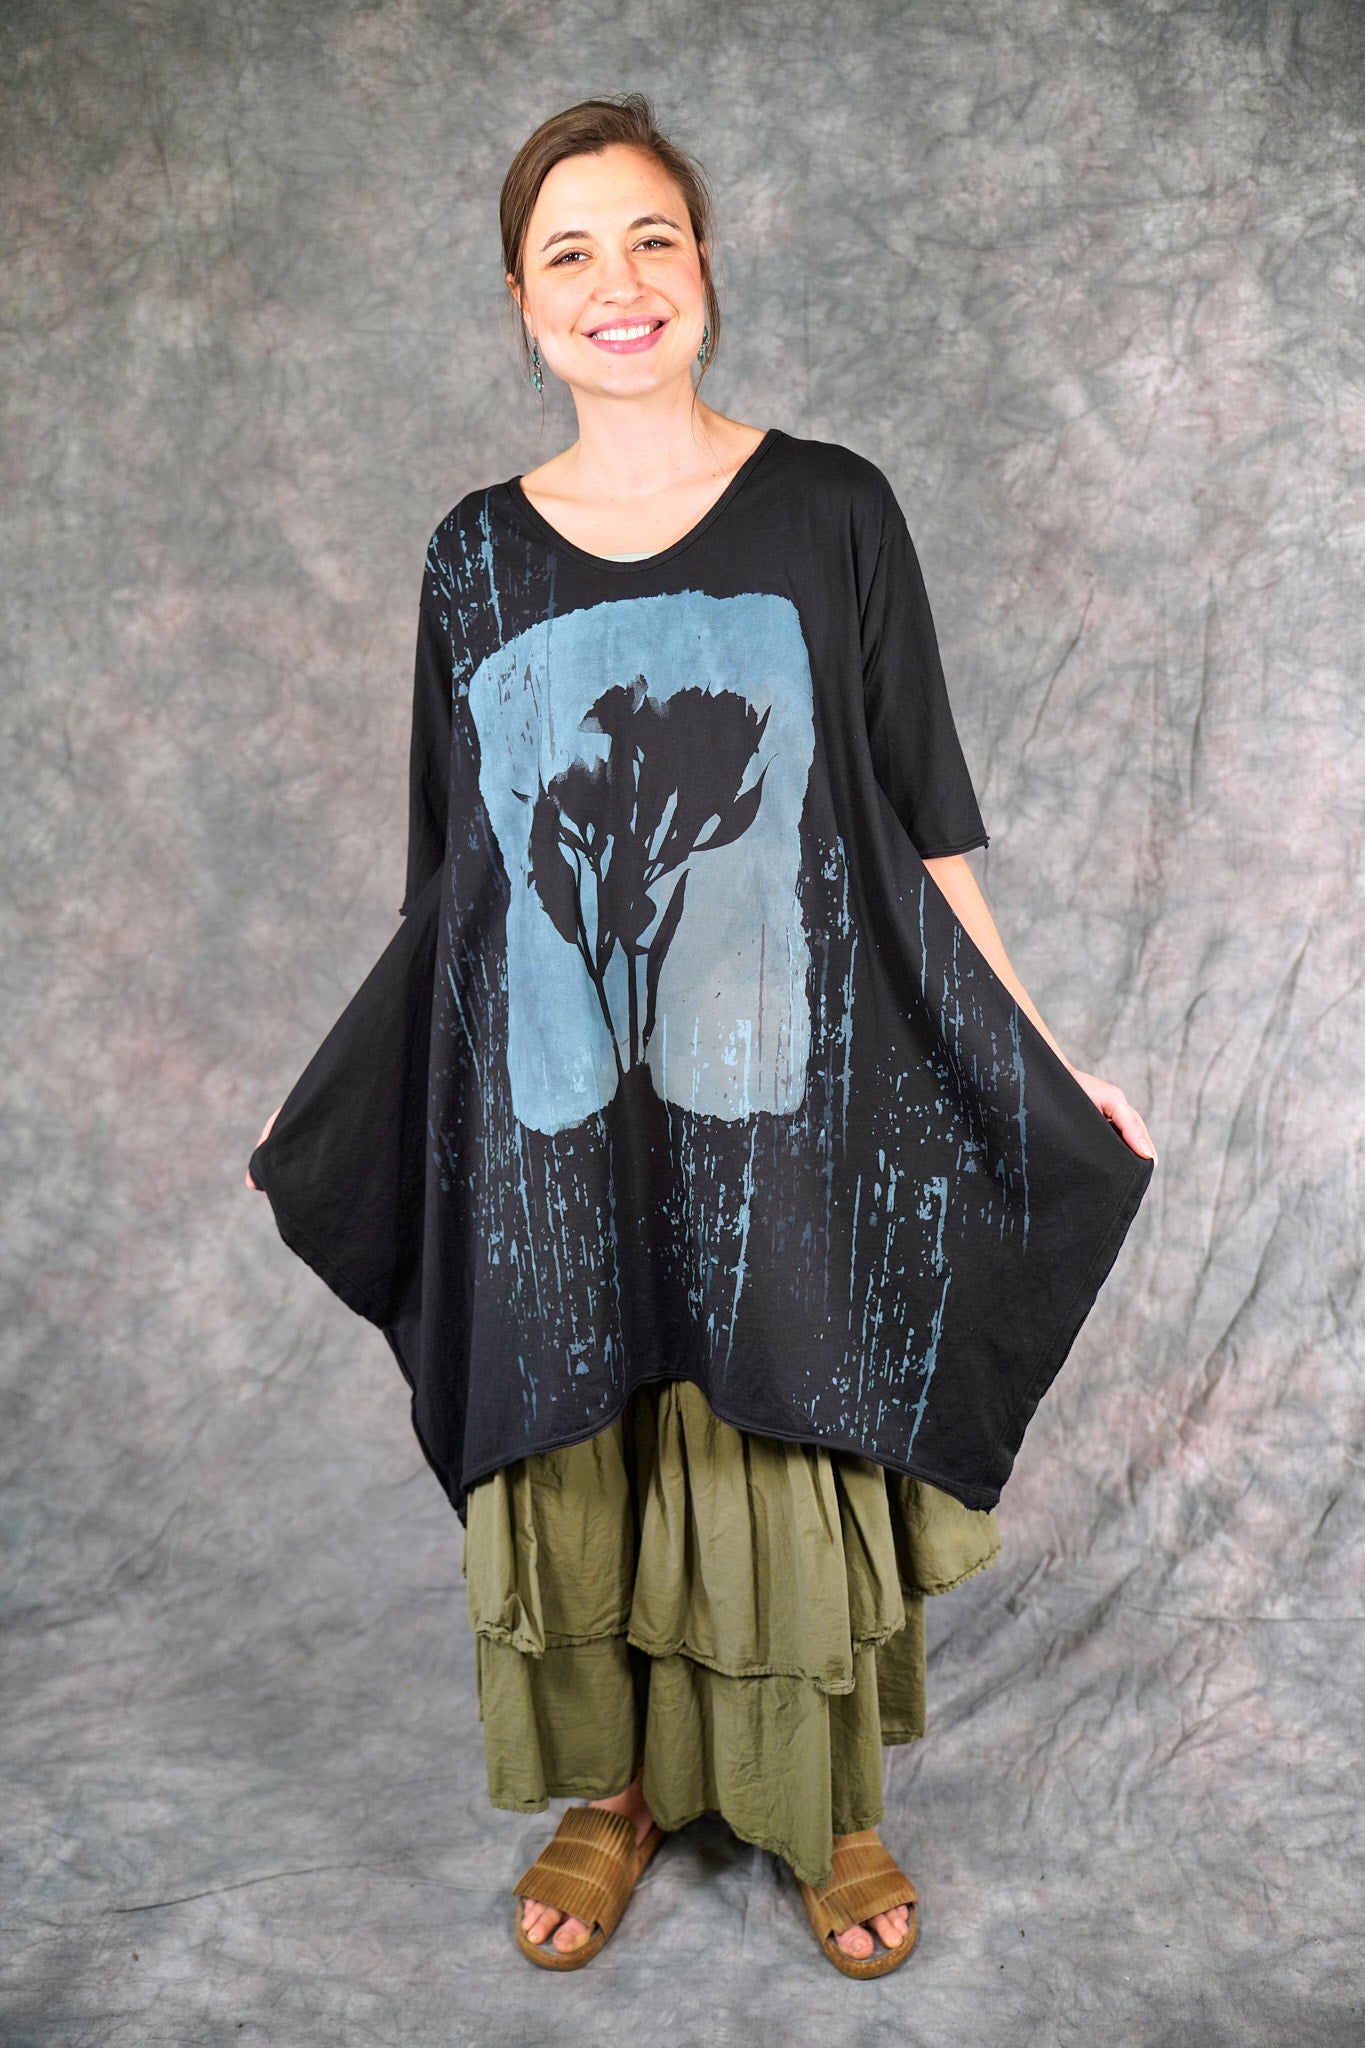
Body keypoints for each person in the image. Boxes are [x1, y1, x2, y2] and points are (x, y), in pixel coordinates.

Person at [248, 92, 1156, 1978]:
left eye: (652, 237)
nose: (619, 281)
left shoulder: (834, 508)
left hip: (785, 1105)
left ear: (707, 270)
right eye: (569, 252)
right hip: (557, 1109)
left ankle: (823, 1802)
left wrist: (1040, 1058)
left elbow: (923, 830)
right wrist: (363, 1102)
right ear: (522, 303)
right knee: (577, 1414)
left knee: (780, 1402)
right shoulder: (471, 557)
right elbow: (456, 887)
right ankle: (613, 1790)